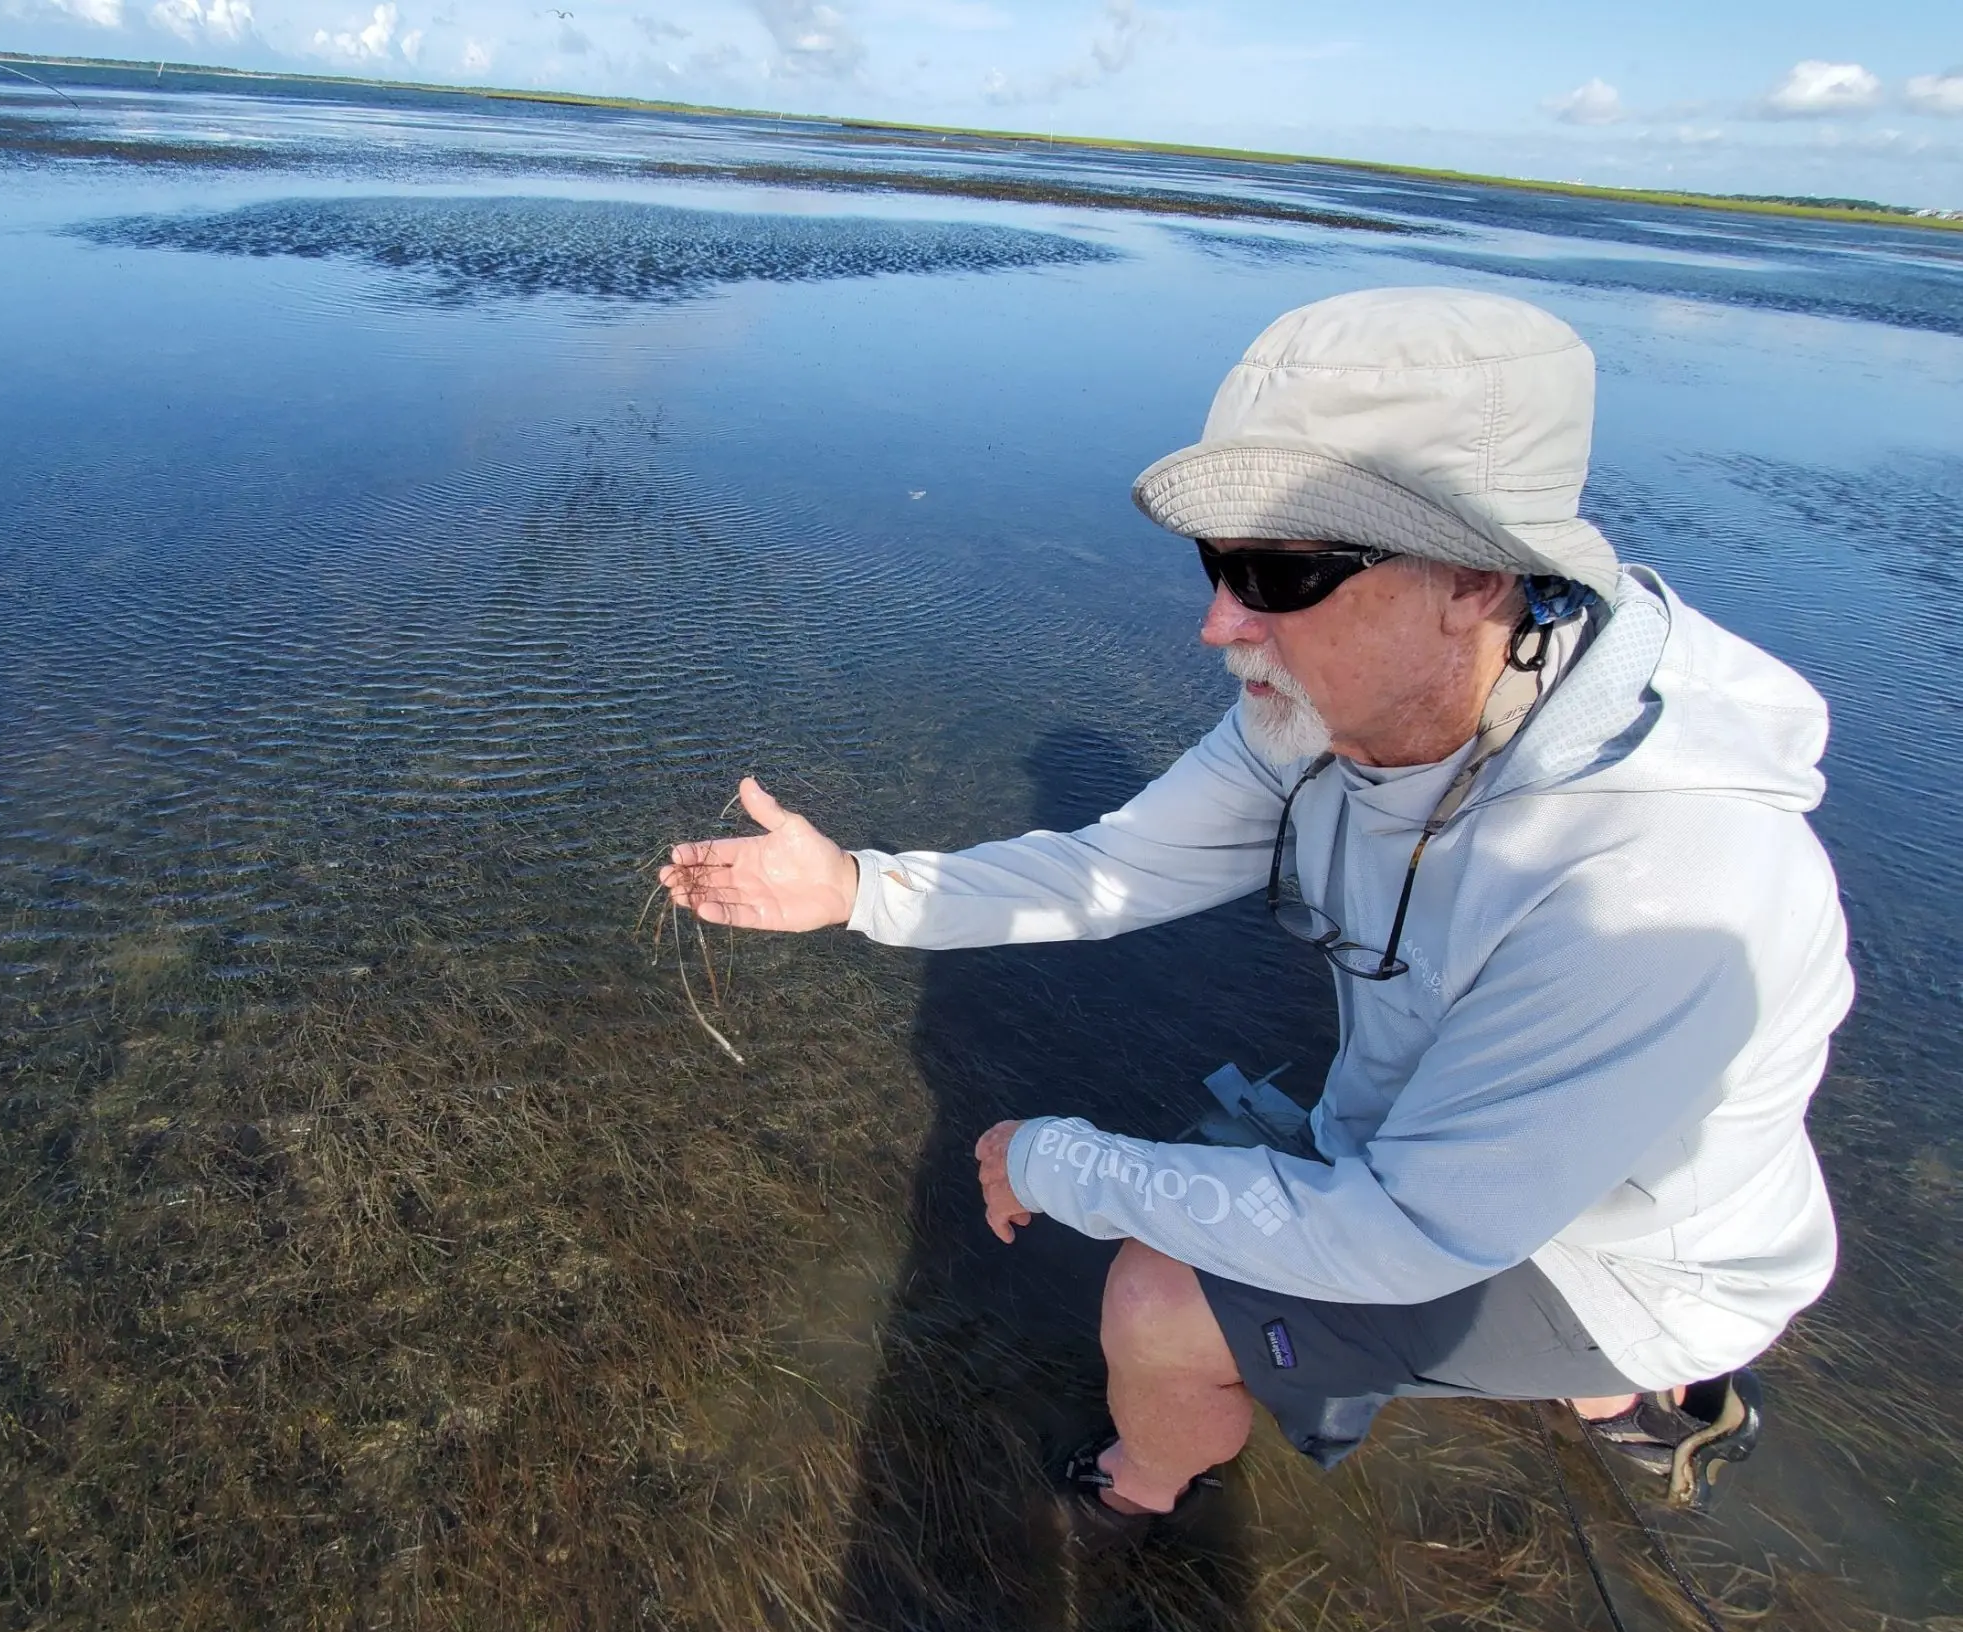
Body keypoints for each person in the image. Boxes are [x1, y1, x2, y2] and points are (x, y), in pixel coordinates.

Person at [657, 287, 1852, 1531]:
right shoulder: (1325, 705)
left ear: (1476, 577)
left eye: (1278, 569)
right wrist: (858, 886)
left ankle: (1143, 1483)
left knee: (1155, 1303)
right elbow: (1109, 870)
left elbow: (1405, 1232)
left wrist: (1058, 1158)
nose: (1218, 623)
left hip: (1624, 1256)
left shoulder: (1658, 879)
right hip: (1470, 1168)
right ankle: (1624, 1394)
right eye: (1214, 561)